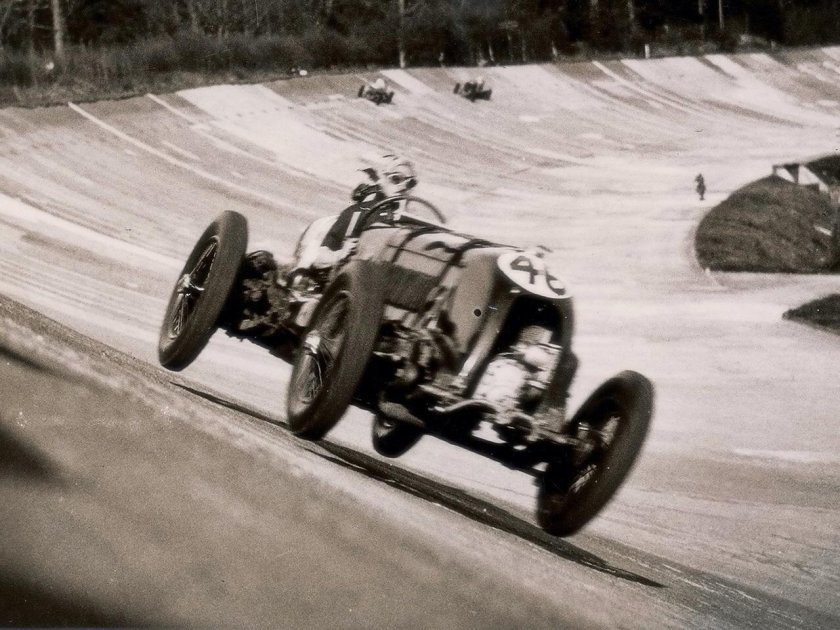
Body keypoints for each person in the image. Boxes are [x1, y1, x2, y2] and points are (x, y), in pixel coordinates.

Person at [310, 155, 418, 269]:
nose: (404, 186)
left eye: (410, 183)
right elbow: (319, 259)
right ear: (383, 180)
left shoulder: (413, 226)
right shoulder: (357, 213)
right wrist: (339, 255)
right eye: (396, 179)